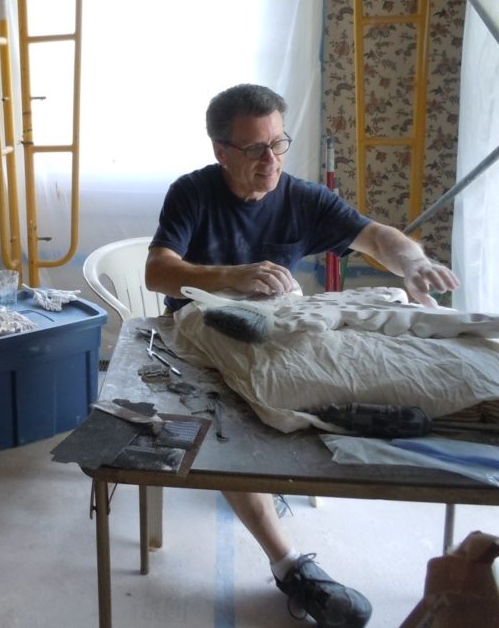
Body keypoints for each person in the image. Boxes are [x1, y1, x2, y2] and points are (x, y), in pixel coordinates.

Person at [144, 83, 459, 628]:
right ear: (221, 151)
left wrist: (412, 263)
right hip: (195, 333)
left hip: (273, 331)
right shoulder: (191, 193)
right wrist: (231, 275)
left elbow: (376, 237)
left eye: (278, 143)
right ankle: (289, 565)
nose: (271, 160)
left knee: (354, 379)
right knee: (232, 428)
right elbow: (157, 270)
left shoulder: (302, 198)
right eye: (253, 150)